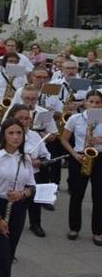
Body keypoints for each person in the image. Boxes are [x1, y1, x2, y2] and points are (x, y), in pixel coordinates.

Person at [0, 119, 36, 277]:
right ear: (3, 136)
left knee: (9, 253)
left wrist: (22, 193)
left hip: (18, 207)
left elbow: (32, 187)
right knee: (3, 254)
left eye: (19, 133)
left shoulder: (26, 157)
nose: (15, 137)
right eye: (11, 133)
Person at [59, 89, 102, 244]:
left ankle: (98, 231)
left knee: (99, 196)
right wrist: (75, 155)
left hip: (99, 158)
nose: (94, 105)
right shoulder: (75, 118)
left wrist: (99, 141)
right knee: (77, 195)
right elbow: (64, 139)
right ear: (85, 103)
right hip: (79, 157)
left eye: (98, 102)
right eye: (91, 102)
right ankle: (74, 227)